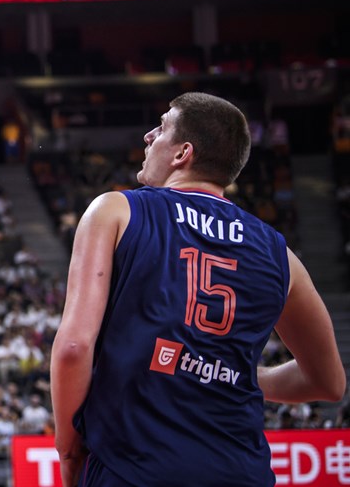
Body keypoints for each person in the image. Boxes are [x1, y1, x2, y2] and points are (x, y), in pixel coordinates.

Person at [51, 92, 346, 487]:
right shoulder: (282, 255)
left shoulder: (115, 210)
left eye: (161, 127)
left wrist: (69, 451)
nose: (148, 136)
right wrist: (227, 372)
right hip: (241, 473)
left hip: (132, 468)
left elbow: (73, 349)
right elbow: (329, 383)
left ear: (182, 153)